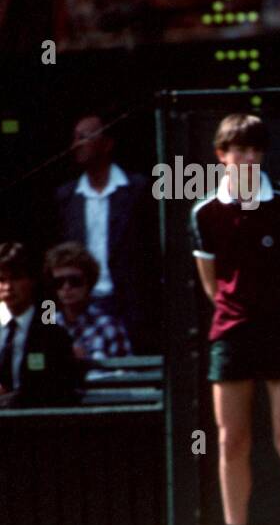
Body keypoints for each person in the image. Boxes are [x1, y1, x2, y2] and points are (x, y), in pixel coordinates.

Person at [189, 114, 280, 525]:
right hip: (230, 333)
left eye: (253, 149)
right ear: (220, 156)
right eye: (236, 150)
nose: (245, 157)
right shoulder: (204, 212)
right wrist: (239, 313)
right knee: (231, 441)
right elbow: (212, 282)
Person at [52, 115, 160, 354]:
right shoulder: (66, 197)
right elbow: (53, 263)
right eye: (74, 138)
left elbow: (153, 252)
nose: (76, 145)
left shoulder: (137, 190)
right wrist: (50, 318)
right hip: (80, 305)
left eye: (84, 137)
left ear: (107, 144)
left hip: (131, 307)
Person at [0, 242, 82, 409]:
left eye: (16, 278)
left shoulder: (52, 335)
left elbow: (58, 390)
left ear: (31, 281)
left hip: (35, 425)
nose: (8, 288)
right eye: (1, 280)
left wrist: (15, 400)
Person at [44, 242, 132, 360]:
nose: (66, 288)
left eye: (74, 281)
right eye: (59, 282)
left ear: (89, 283)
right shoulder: (47, 327)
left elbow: (126, 375)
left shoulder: (108, 327)